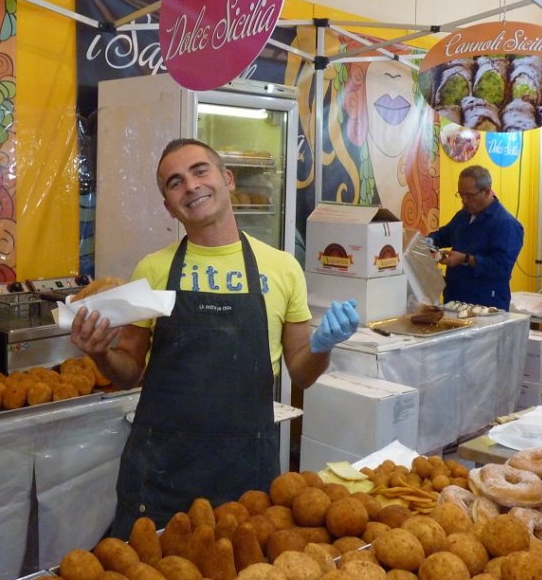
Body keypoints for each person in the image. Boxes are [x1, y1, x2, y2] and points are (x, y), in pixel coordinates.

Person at [69, 138, 360, 538]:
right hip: (160, 469)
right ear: (169, 206)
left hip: (245, 466)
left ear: (226, 179)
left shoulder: (282, 268)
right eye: (174, 182)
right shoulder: (154, 269)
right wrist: (102, 354)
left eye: (199, 171)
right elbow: (128, 372)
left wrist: (322, 347)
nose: (190, 185)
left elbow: (302, 372)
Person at [427, 164, 524, 309]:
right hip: (455, 299)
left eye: (469, 195)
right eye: (460, 194)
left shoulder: (506, 225)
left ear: (487, 191)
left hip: (486, 304)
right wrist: (428, 242)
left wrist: (465, 259)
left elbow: (501, 268)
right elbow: (444, 235)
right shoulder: (463, 215)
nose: (464, 200)